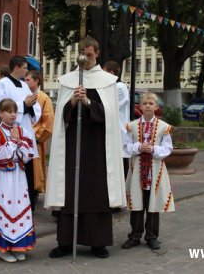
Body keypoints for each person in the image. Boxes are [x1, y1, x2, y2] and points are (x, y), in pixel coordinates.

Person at [45, 36, 126, 259]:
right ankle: (64, 241)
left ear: (97, 54)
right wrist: (72, 102)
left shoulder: (108, 81)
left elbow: (110, 114)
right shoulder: (67, 80)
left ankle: (97, 242)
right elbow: (60, 115)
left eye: (90, 55)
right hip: (72, 145)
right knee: (69, 190)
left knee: (96, 191)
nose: (86, 59)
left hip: (97, 146)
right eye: (83, 55)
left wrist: (89, 103)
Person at [0, 99, 36, 263]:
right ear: (1, 113)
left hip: (19, 178)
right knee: (4, 209)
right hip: (2, 180)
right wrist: (12, 142)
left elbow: (27, 157)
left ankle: (17, 246)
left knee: (18, 208)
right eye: (8, 111)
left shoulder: (23, 132)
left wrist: (19, 142)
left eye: (14, 111)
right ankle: (3, 248)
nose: (12, 114)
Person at [121, 92, 175, 251]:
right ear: (140, 106)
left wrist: (152, 149)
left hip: (155, 170)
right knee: (137, 203)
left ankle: (152, 236)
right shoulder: (131, 126)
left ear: (156, 107)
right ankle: (135, 235)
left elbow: (167, 148)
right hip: (138, 169)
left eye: (151, 103)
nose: (148, 105)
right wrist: (138, 147)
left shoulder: (164, 127)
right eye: (145, 103)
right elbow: (125, 147)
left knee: (153, 204)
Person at [0, 55, 41, 210]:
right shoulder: (3, 84)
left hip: (24, 131)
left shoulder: (25, 86)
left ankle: (26, 203)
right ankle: (6, 203)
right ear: (16, 68)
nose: (27, 71)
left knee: (26, 170)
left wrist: (30, 106)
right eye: (25, 68)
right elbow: (1, 107)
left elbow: (34, 107)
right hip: (9, 133)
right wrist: (23, 105)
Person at [24, 70, 54, 194]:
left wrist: (37, 137)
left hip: (35, 138)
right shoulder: (24, 94)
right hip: (23, 137)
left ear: (36, 81)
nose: (25, 82)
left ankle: (34, 191)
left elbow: (48, 120)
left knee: (36, 169)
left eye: (28, 80)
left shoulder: (43, 97)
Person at [103, 60, 130, 179]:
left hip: (119, 132)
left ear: (111, 73)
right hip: (113, 131)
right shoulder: (114, 86)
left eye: (104, 73)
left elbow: (109, 106)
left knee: (120, 166)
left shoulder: (120, 87)